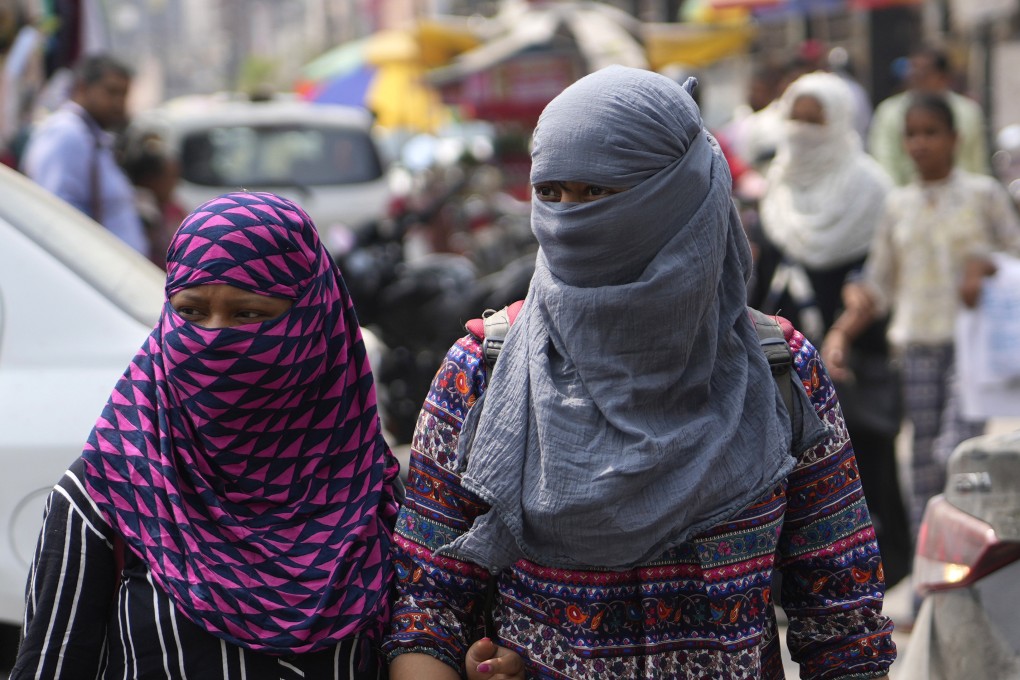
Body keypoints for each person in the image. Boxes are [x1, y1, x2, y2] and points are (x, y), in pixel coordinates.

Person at [383, 66, 895, 680]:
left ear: (678, 192)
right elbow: (427, 607)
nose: (570, 220)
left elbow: (844, 623)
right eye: (552, 193)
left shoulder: (779, 371)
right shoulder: (482, 374)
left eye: (597, 194)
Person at [10, 192, 403, 679]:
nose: (214, 340)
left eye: (248, 315)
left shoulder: (372, 493)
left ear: (312, 321)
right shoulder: (107, 495)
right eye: (192, 313)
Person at [823, 93, 1020, 541]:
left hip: (974, 347)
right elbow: (879, 282)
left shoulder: (983, 194)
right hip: (915, 349)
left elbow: (1013, 254)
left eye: (931, 132)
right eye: (912, 134)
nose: (921, 143)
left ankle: (970, 552)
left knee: (955, 452)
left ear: (955, 138)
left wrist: (982, 265)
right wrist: (841, 333)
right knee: (923, 465)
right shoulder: (898, 205)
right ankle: (930, 580)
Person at [756, 71, 912, 588]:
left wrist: (850, 324)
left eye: (814, 118)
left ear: (840, 120)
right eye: (795, 116)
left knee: (862, 460)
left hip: (855, 351)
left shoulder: (870, 187)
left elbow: (886, 273)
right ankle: (803, 580)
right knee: (790, 471)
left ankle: (878, 570)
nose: (801, 129)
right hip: (783, 359)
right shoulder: (777, 184)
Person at [20, 53, 148, 256]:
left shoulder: (92, 135)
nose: (118, 103)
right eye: (111, 92)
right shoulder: (66, 133)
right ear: (82, 88)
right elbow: (59, 215)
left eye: (123, 94)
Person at [868, 46, 989, 186]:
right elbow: (885, 163)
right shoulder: (889, 112)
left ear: (943, 78)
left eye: (923, 73)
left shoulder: (968, 112)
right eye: (912, 72)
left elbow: (976, 163)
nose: (920, 143)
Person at [119, 132, 186, 269]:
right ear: (150, 179)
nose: (175, 184)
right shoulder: (141, 212)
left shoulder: (172, 208)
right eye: (171, 177)